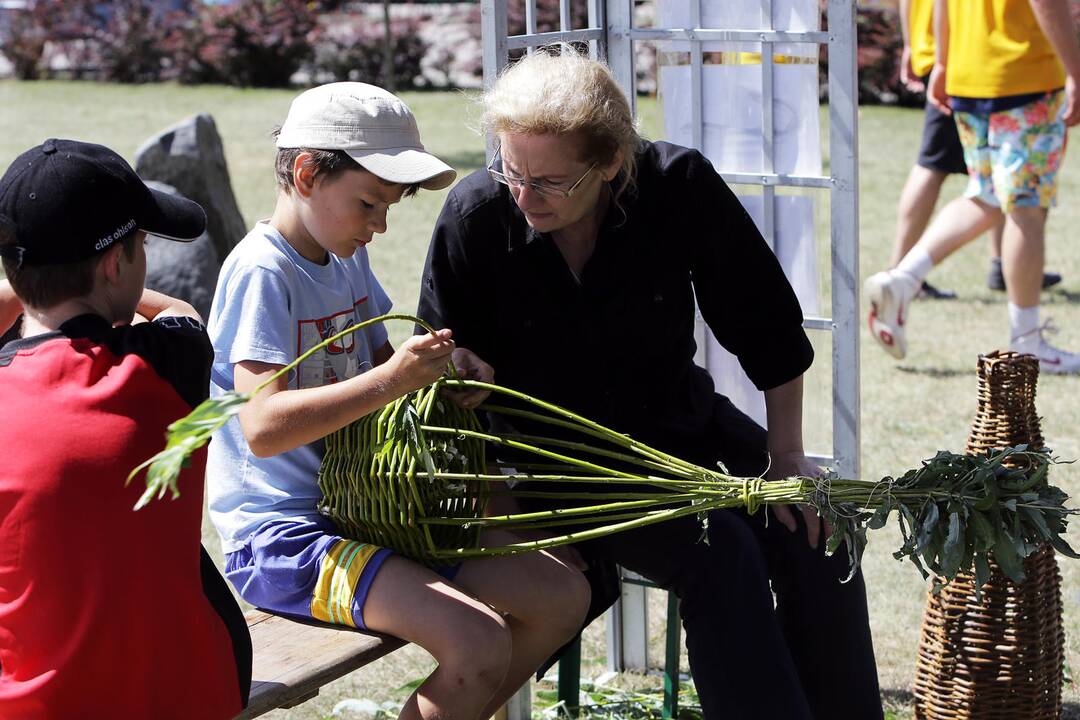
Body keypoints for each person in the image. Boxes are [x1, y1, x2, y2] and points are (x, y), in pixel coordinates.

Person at [418, 50, 882, 719]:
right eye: (510, 170)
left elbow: (768, 329)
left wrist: (787, 460)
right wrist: (461, 378)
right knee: (719, 551)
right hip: (555, 467)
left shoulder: (677, 184)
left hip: (678, 422)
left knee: (818, 531)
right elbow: (436, 373)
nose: (523, 197)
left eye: (548, 182)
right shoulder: (475, 215)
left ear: (611, 162)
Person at [205, 82, 590, 720]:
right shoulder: (262, 272)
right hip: (285, 542)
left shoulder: (342, 255)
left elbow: (380, 363)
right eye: (369, 203)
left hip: (369, 511)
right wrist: (391, 382)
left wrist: (442, 373)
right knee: (478, 640)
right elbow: (264, 427)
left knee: (560, 597)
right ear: (306, 173)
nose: (380, 225)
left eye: (390, 206)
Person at [0, 139, 251, 718]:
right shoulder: (170, 365)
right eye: (142, 246)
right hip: (196, 695)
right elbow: (182, 315)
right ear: (116, 263)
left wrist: (29, 274)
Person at [867, 0, 1080, 371]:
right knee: (1025, 205)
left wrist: (944, 62)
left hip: (968, 74)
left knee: (987, 194)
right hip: (1023, 73)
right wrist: (1076, 70)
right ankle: (1028, 341)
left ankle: (903, 278)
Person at [894, 0, 1060, 298]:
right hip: (999, 65)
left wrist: (923, 50)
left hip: (959, 61)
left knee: (992, 188)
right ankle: (902, 273)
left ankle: (907, 275)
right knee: (1017, 197)